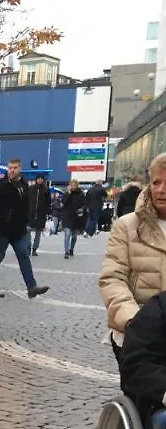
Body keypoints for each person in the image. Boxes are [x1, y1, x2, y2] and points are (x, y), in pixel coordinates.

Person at [99, 153, 166, 363]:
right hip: (138, 337)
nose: (161, 190)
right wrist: (135, 321)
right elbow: (112, 278)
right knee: (144, 395)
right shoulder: (126, 226)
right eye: (156, 182)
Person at [0, 158, 49, 299]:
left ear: (20, 168)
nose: (12, 170)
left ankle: (31, 286)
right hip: (3, 229)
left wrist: (28, 220)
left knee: (23, 256)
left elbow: (25, 204)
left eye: (15, 168)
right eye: (10, 168)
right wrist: (1, 219)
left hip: (19, 229)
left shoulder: (23, 184)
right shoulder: (0, 185)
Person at [61, 180, 86, 258]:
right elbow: (64, 202)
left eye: (75, 185)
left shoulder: (81, 194)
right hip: (67, 216)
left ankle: (71, 249)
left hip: (76, 217)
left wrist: (82, 208)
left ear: (77, 185)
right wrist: (68, 193)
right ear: (69, 186)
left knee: (74, 236)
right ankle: (66, 251)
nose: (73, 187)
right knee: (67, 234)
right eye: (72, 185)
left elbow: (85, 204)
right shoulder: (67, 193)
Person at [29, 174, 50, 256]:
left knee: (38, 233)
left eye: (41, 179)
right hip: (30, 214)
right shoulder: (31, 188)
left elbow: (48, 202)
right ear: (36, 179)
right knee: (27, 231)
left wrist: (47, 211)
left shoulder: (46, 190)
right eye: (38, 179)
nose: (40, 180)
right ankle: (28, 247)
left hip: (41, 214)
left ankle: (34, 249)